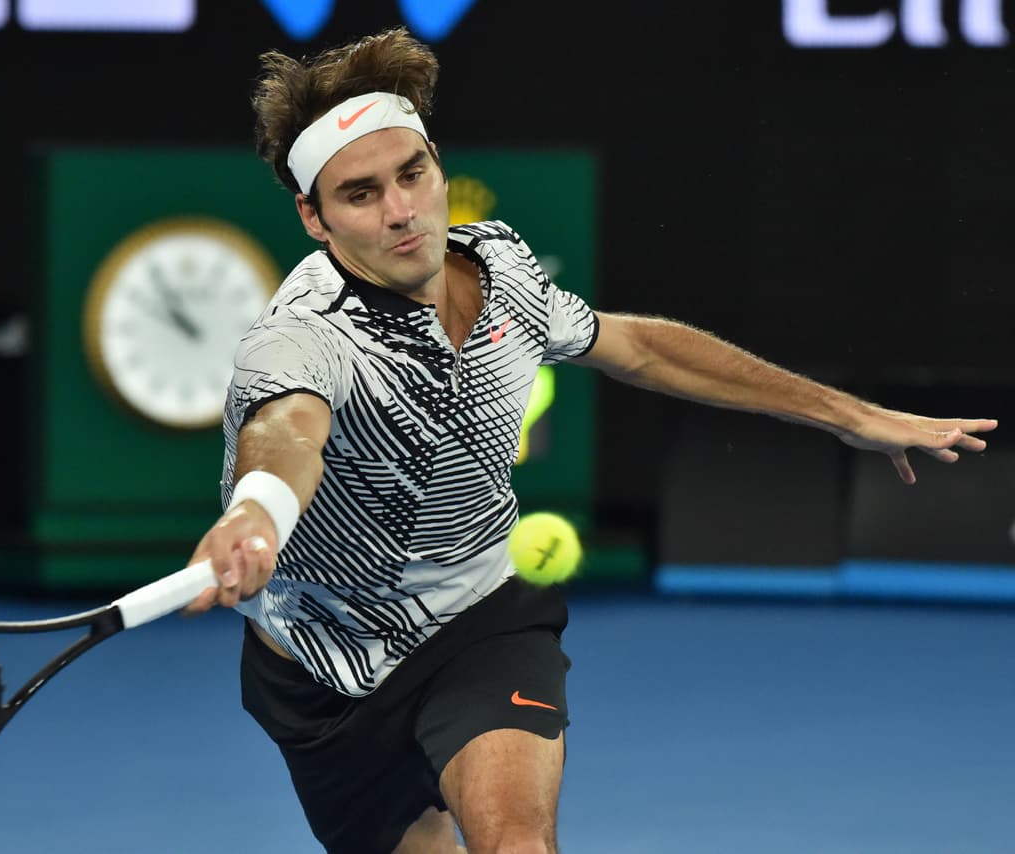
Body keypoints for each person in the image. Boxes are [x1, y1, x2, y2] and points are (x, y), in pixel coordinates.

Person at [183, 26, 997, 854]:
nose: (400, 213)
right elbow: (286, 432)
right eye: (360, 195)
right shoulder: (298, 339)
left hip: (477, 624)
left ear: (436, 162)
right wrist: (257, 511)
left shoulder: (501, 271)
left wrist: (849, 415)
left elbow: (639, 347)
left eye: (413, 175)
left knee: (518, 846)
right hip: (320, 674)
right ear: (313, 217)